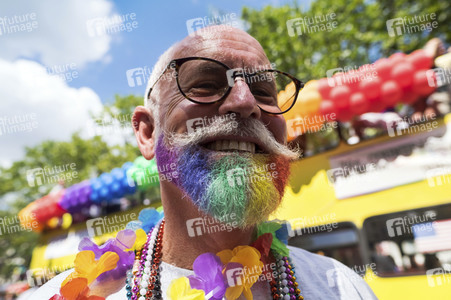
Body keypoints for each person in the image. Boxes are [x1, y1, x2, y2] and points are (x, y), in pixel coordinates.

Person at [32, 25, 377, 300]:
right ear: (148, 133)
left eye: (264, 92)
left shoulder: (344, 289)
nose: (245, 103)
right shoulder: (67, 295)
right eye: (206, 85)